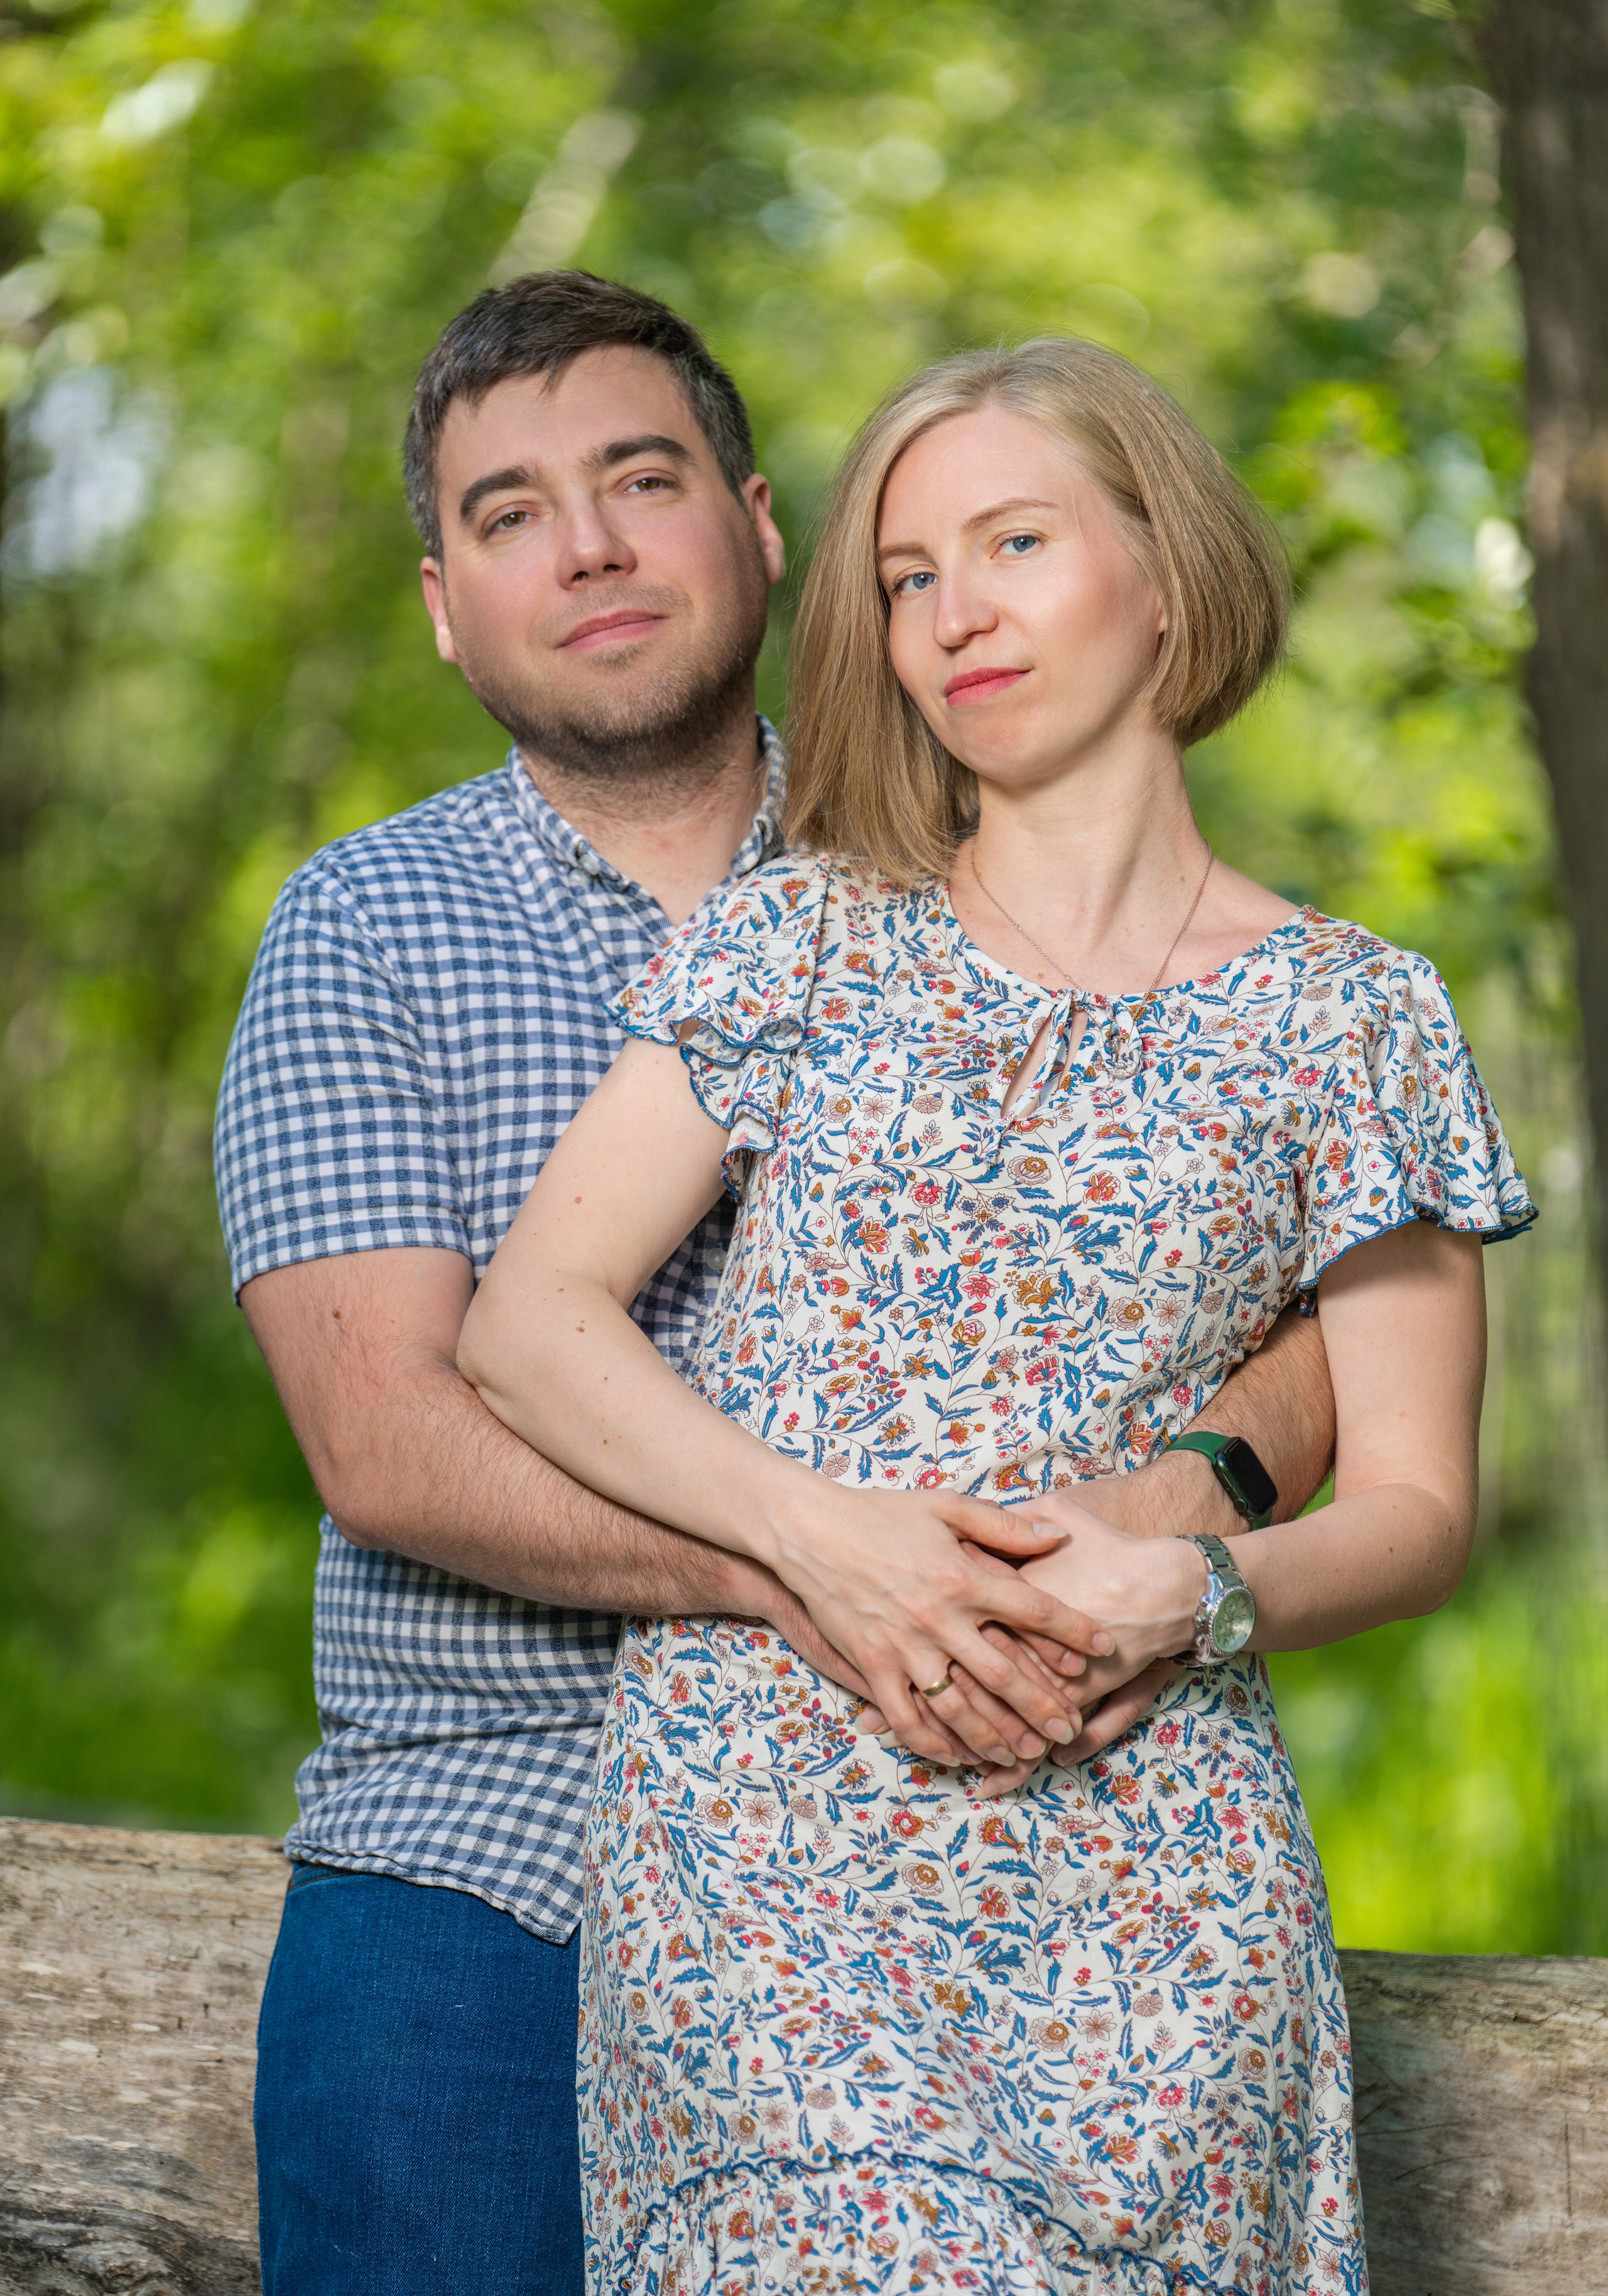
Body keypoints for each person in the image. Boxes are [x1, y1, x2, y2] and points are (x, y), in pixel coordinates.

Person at [215, 276, 1337, 2296]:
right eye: (508, 515)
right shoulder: (360, 929)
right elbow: (389, 1446)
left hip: (1007, 1825)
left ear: (757, 529)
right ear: (444, 605)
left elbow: (1301, 1317)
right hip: (491, 1854)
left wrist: (1146, 1523)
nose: (587, 547)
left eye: (639, 480)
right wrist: (825, 1571)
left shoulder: (991, 855)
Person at [457, 335, 1536, 2295]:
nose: (956, 613)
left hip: (1154, 1872)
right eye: (909, 577)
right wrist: (822, 1539)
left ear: (1167, 568)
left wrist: (1199, 1592)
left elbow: (1415, 1504)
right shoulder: (807, 931)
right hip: (765, 1830)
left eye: (1014, 542)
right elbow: (532, 1319)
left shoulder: (1354, 1020)